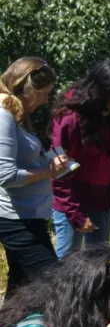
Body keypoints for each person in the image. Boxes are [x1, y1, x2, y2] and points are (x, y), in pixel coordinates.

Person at [0, 58, 71, 295]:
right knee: (56, 284)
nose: (47, 100)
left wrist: (48, 163)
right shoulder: (4, 116)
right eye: (45, 93)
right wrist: (48, 171)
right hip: (14, 218)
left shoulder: (18, 116)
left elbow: (22, 161)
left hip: (27, 215)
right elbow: (6, 175)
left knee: (21, 287)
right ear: (30, 89)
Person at [51, 60, 110, 258]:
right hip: (71, 203)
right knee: (67, 265)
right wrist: (75, 215)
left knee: (98, 263)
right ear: (105, 90)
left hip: (101, 201)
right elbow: (59, 170)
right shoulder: (70, 118)